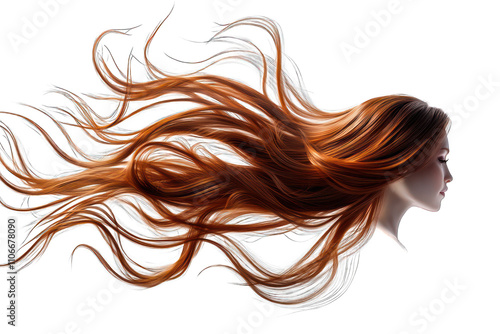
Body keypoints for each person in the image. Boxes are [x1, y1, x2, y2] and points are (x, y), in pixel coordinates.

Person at [0, 9, 452, 308]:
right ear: (403, 158)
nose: (450, 175)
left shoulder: (374, 259)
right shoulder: (381, 269)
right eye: (442, 158)